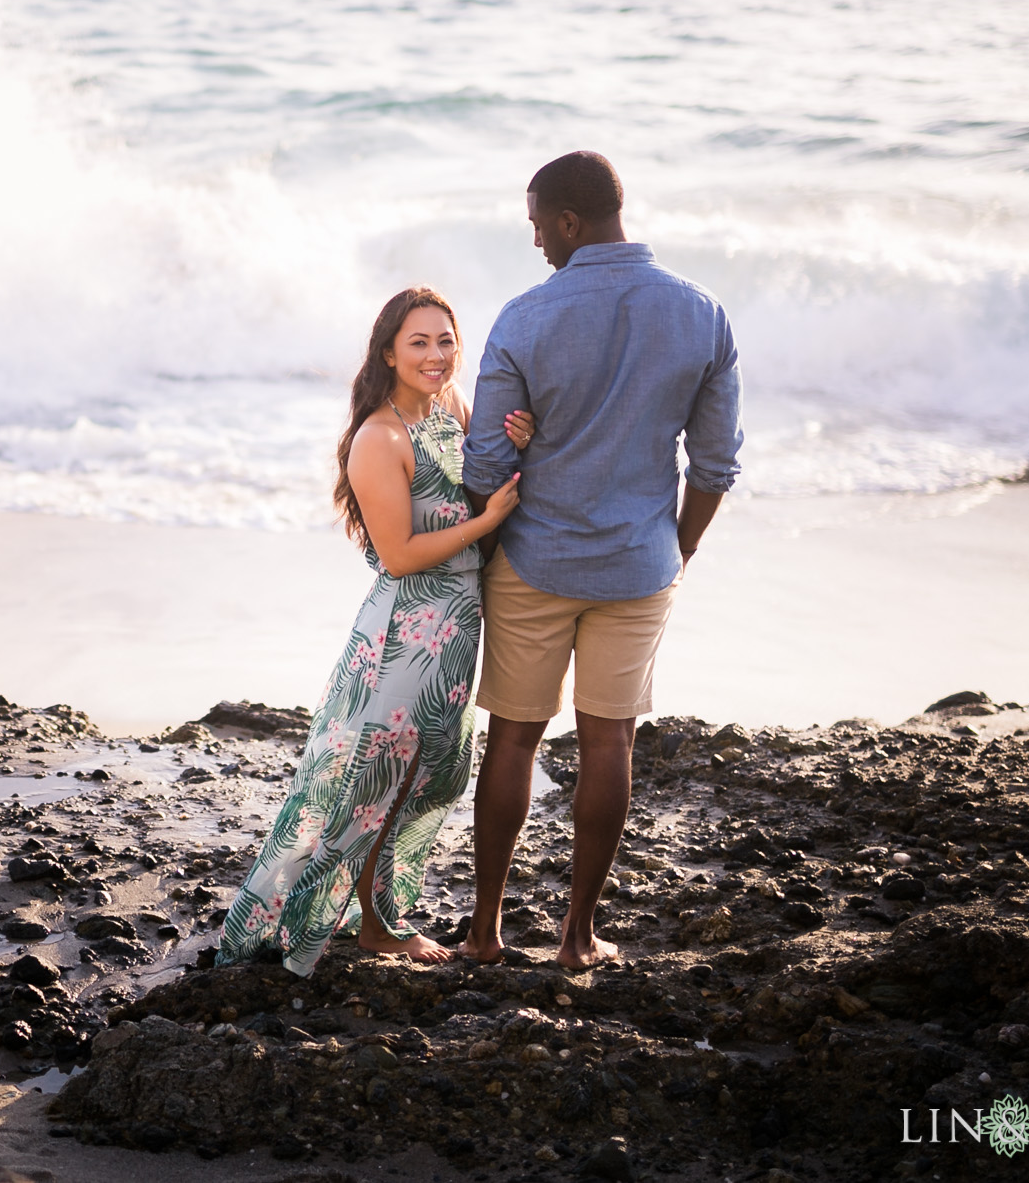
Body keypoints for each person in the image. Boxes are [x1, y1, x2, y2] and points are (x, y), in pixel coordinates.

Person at [458, 151, 742, 970]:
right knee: (609, 739)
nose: (538, 241)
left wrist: (527, 450)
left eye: (539, 225)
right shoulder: (702, 314)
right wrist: (675, 548)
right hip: (639, 565)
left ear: (570, 222)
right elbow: (716, 465)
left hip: (534, 561)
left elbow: (483, 469)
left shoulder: (524, 318)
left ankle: (483, 932)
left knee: (513, 740)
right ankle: (578, 936)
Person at [219, 287, 527, 973]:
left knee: (429, 776)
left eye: (445, 340)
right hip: (404, 634)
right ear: (388, 350)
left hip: (456, 626)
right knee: (374, 780)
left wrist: (514, 451)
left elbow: (477, 485)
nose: (436, 355)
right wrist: (484, 521)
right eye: (419, 342)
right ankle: (371, 926)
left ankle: (372, 912)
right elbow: (400, 553)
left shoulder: (451, 409)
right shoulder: (377, 437)